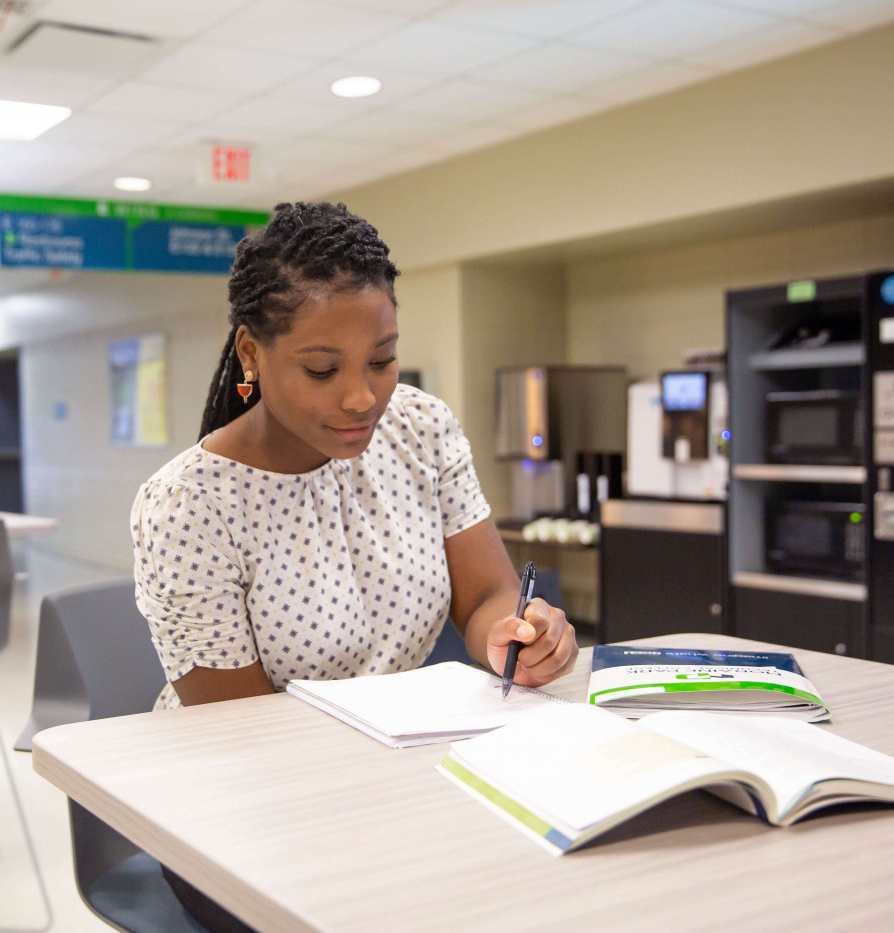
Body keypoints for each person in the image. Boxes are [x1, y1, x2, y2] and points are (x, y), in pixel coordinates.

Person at [130, 201, 578, 931]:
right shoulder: (188, 506)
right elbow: (244, 736)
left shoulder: (422, 430)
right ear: (251, 354)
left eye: (382, 359)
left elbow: (487, 591)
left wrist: (513, 633)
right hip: (248, 815)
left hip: (401, 780)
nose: (362, 397)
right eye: (321, 368)